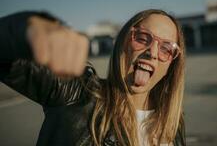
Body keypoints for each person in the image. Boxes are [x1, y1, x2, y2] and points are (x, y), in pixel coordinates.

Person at [0, 9, 186, 146]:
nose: (152, 52)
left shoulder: (172, 122)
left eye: (166, 48)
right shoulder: (76, 96)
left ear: (171, 64)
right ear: (123, 42)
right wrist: (29, 29)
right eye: (143, 38)